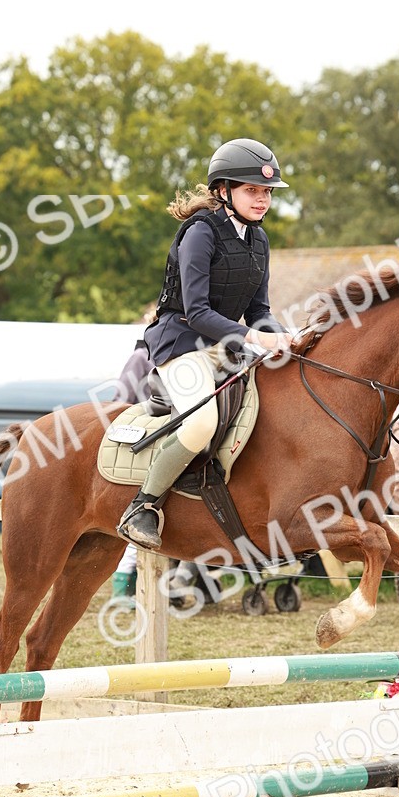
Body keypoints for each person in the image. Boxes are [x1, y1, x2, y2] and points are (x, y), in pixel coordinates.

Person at [116, 137, 295, 549]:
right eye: (252, 190)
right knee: (201, 423)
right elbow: (196, 312)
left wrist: (285, 335)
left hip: (221, 347)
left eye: (267, 192)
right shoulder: (200, 233)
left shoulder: (259, 241)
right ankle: (143, 506)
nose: (262, 199)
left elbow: (259, 311)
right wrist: (254, 337)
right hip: (178, 342)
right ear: (223, 190)